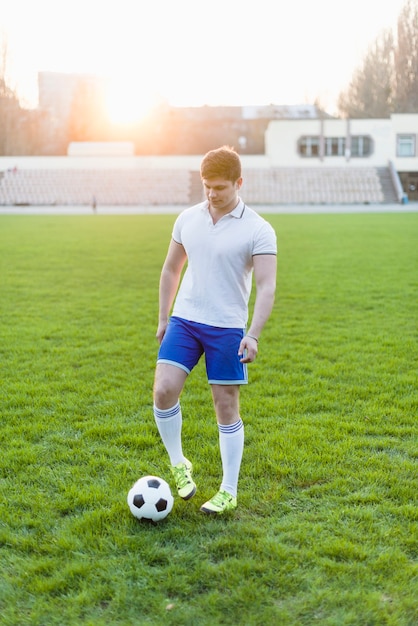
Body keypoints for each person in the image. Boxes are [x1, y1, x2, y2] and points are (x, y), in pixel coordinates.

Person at [153, 146, 277, 514]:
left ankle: (228, 489)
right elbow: (170, 269)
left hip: (227, 327)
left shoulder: (258, 229)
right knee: (163, 391)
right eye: (206, 185)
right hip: (185, 320)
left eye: (220, 187)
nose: (212, 194)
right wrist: (164, 317)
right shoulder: (187, 219)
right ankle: (179, 463)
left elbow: (267, 286)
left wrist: (253, 333)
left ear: (239, 183)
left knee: (225, 406)